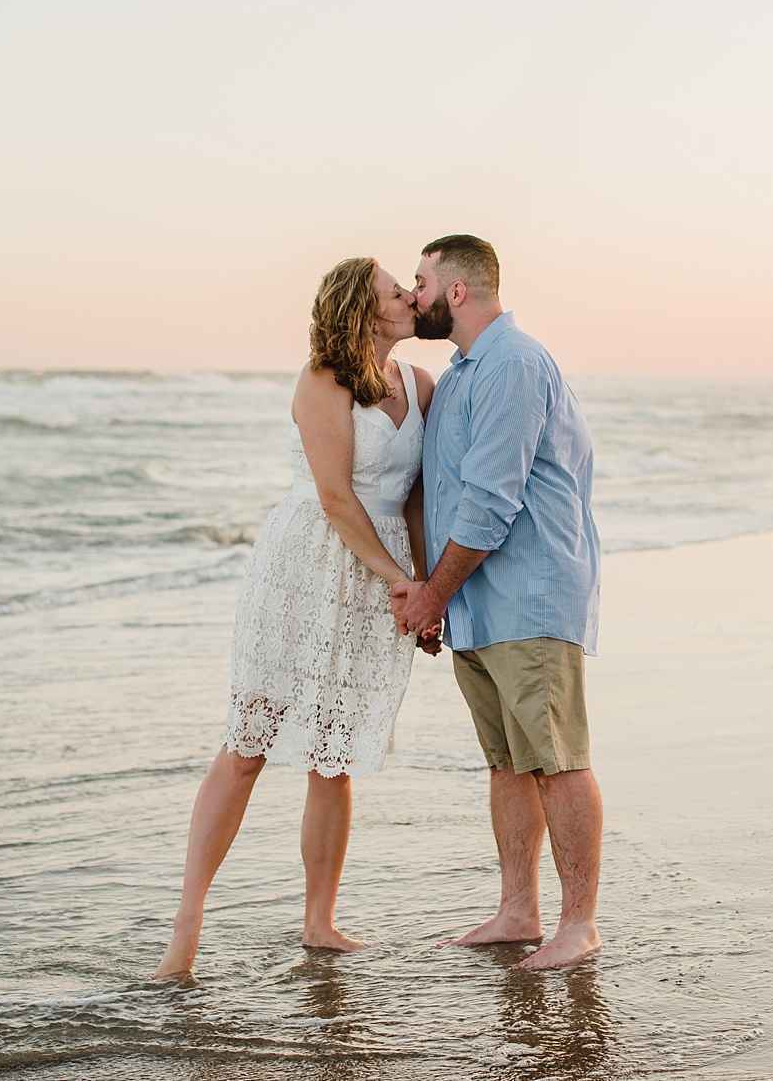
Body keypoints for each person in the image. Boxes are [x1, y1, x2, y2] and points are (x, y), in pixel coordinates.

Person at [151, 257, 437, 980]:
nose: (410, 297)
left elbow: (413, 500)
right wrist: (402, 580)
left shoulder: (422, 386)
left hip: (383, 578)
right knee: (248, 742)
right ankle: (186, 926)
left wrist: (427, 589)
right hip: (308, 563)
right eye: (394, 291)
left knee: (334, 755)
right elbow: (337, 498)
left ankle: (320, 923)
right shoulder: (322, 380)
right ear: (363, 311)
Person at [389, 234, 604, 971]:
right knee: (508, 762)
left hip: (529, 596)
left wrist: (429, 598)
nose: (412, 296)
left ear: (456, 290)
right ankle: (519, 910)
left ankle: (579, 924)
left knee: (557, 760)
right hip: (479, 604)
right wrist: (438, 597)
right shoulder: (459, 376)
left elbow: (489, 502)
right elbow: (443, 499)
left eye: (419, 282)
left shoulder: (511, 364)